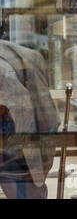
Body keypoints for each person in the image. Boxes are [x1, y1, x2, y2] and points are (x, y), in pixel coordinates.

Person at [0, 40, 60, 199]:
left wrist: (39, 171)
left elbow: (47, 122)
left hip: (18, 128)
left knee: (23, 185)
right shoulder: (26, 60)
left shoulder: (15, 67)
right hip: (18, 124)